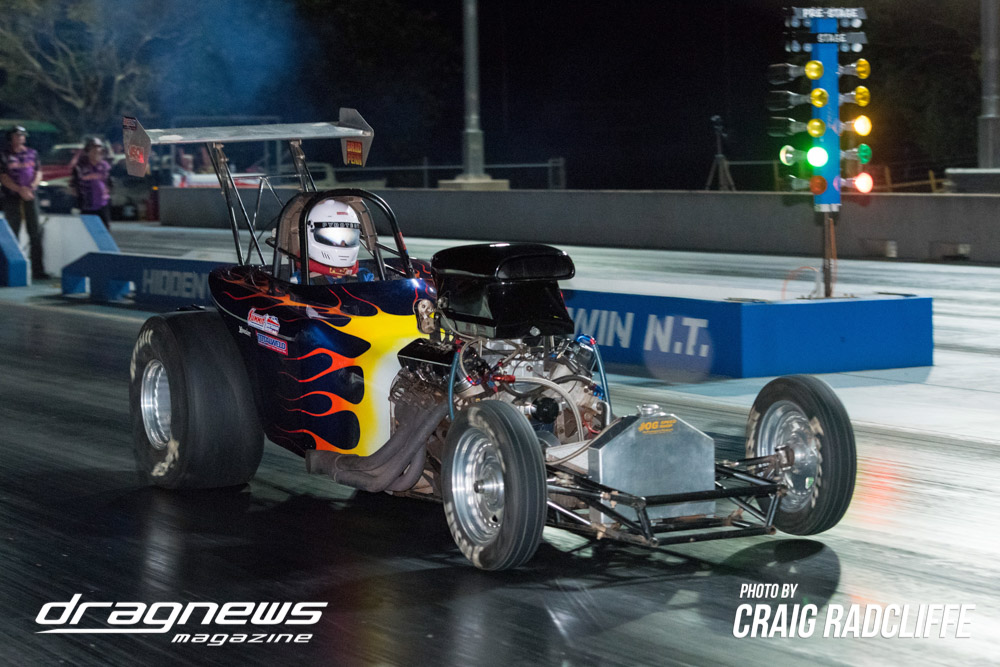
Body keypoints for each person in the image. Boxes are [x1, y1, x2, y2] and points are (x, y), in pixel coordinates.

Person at [0, 125, 48, 280]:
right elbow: (3, 176)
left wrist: (31, 187)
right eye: (17, 135)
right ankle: (10, 269)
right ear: (10, 138)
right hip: (11, 196)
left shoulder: (32, 153)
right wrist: (19, 189)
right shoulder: (4, 155)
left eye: (22, 135)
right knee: (12, 232)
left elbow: (38, 172)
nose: (20, 138)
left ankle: (38, 270)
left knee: (35, 233)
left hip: (30, 196)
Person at [292, 198, 373, 284]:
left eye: (349, 237)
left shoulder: (364, 277)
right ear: (310, 234)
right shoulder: (301, 282)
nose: (342, 244)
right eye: (334, 237)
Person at [71, 137, 112, 229]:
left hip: (102, 205)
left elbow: (109, 184)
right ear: (88, 151)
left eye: (99, 148)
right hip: (86, 207)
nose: (97, 151)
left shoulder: (105, 166)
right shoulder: (80, 167)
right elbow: (74, 186)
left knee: (104, 230)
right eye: (93, 149)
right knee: (88, 231)